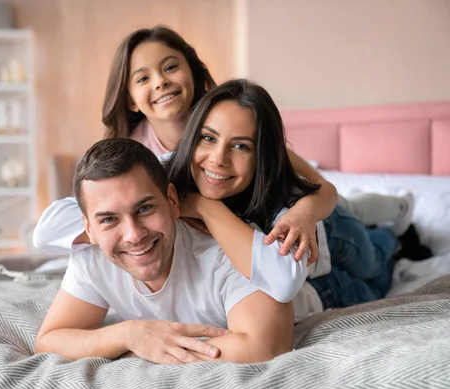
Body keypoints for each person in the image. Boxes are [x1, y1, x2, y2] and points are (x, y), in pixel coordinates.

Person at [33, 26, 339, 265]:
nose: (160, 82)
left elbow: (322, 187)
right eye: (142, 78)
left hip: (321, 222)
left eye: (169, 68)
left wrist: (305, 212)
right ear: (129, 99)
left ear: (193, 72)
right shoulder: (131, 156)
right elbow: (67, 222)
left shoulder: (233, 122)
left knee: (361, 223)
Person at [164, 79, 422, 321]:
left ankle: (397, 224)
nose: (218, 159)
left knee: (370, 261)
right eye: (208, 138)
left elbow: (326, 190)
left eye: (241, 146)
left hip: (328, 230)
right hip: (307, 267)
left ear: (261, 156)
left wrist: (305, 212)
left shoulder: (276, 187)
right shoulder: (166, 179)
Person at [34, 138, 308, 364]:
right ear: (88, 228)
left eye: (144, 208)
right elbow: (49, 341)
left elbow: (264, 348)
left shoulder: (227, 252)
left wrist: (142, 353)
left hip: (325, 276)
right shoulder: (91, 254)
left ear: (173, 200)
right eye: (108, 219)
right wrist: (129, 335)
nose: (133, 235)